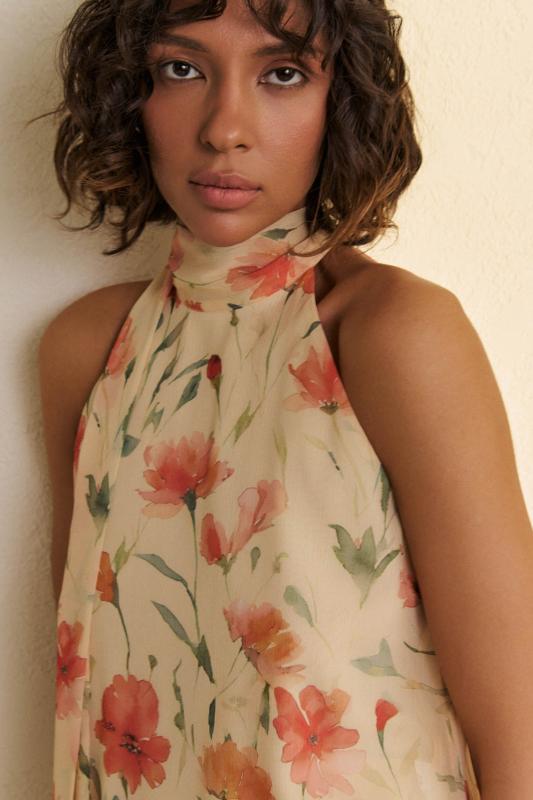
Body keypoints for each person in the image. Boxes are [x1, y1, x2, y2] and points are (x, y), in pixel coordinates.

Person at [38, 0, 533, 798]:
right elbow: (83, 673)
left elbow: (519, 727)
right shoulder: (89, 348)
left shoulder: (390, 333)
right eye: (180, 69)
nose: (224, 129)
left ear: (342, 102)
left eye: (282, 74)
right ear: (128, 93)